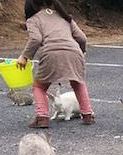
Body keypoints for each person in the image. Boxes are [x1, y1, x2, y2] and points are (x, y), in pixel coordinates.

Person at [16, 0, 94, 128]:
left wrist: (25, 56)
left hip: (51, 53)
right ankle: (87, 114)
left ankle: (42, 117)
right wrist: (82, 50)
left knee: (39, 86)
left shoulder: (33, 20)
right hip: (74, 52)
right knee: (78, 82)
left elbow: (36, 39)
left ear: (33, 6)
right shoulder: (65, 17)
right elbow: (82, 38)